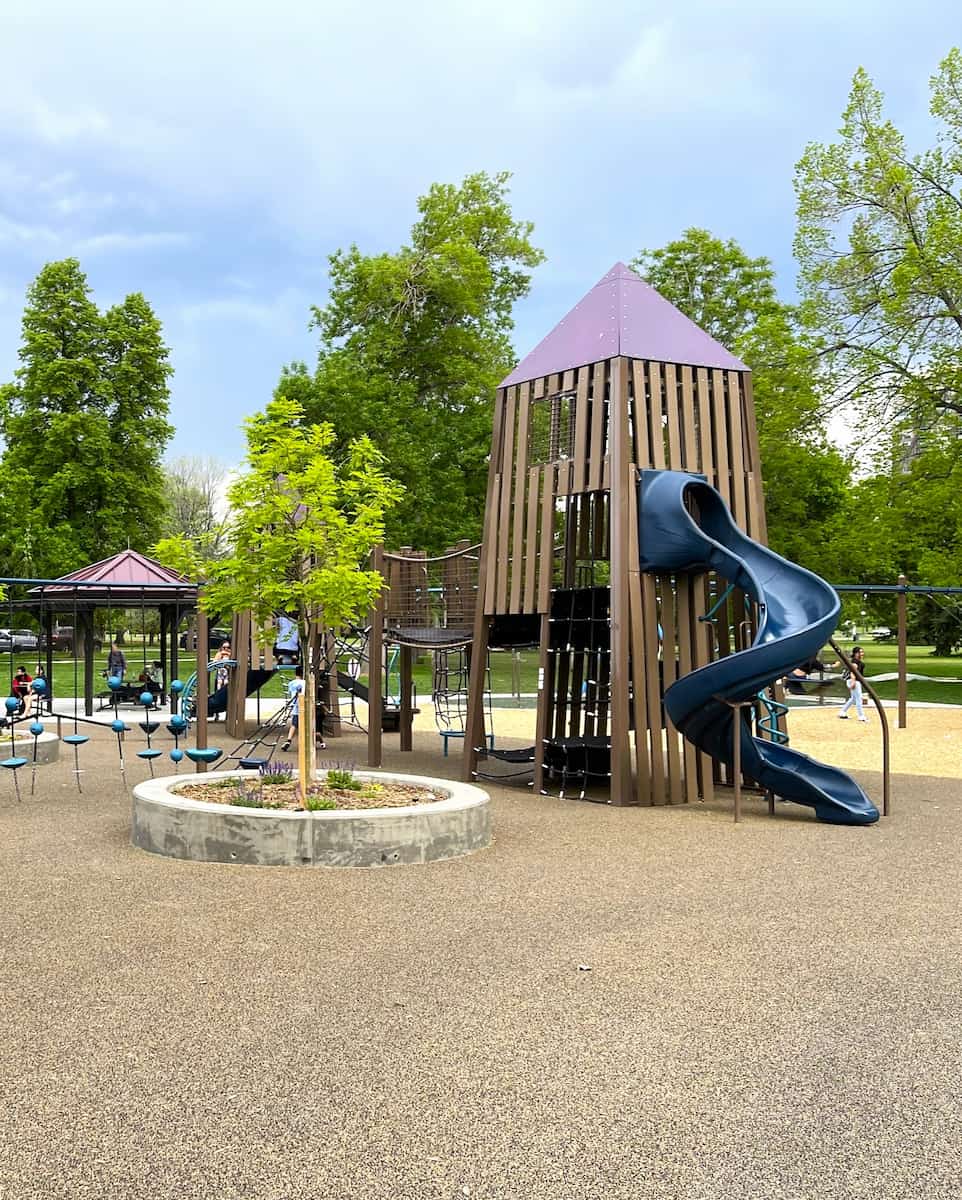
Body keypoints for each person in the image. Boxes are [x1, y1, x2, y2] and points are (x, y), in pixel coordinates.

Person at [836, 646, 868, 722]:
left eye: (862, 652)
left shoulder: (856, 661)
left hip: (853, 681)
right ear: (856, 653)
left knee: (853, 698)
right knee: (859, 698)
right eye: (860, 652)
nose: (862, 654)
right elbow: (853, 672)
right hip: (854, 681)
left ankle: (842, 712)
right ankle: (861, 716)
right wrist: (853, 682)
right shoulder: (855, 662)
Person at [281, 666, 305, 752]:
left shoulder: (291, 683)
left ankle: (288, 740)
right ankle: (303, 743)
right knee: (304, 725)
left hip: (295, 706)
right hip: (304, 706)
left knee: (294, 725)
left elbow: (291, 692)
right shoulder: (305, 683)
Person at [211, 642, 232, 720]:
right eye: (224, 647)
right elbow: (214, 662)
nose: (226, 649)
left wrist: (228, 655)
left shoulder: (231, 654)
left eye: (228, 647)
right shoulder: (219, 654)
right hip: (220, 675)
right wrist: (221, 656)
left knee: (228, 693)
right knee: (218, 690)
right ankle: (217, 715)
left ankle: (228, 715)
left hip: (227, 675)